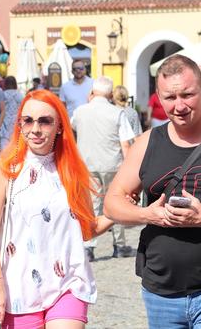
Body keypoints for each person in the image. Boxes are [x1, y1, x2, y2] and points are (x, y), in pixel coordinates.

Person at [0, 89, 114, 328]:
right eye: (28, 120)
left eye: (45, 121)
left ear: (60, 126)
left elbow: (86, 229)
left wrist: (117, 213)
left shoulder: (72, 171)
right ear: (20, 125)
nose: (36, 129)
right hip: (17, 286)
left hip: (68, 283)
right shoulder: (6, 170)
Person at [105, 55, 201, 328]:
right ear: (158, 96)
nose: (179, 105)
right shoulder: (148, 142)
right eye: (170, 97)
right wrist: (149, 214)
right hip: (162, 293)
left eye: (188, 94)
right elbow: (112, 204)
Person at [71, 77, 136, 261]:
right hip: (113, 165)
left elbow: (72, 129)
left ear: (92, 92)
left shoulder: (80, 111)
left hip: (87, 164)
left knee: (90, 204)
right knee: (117, 202)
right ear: (110, 93)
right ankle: (119, 245)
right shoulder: (117, 113)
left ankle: (88, 246)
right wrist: (129, 168)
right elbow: (125, 144)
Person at [0, 76, 24, 149]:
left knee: (4, 145)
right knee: (15, 144)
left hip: (5, 121)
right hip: (16, 121)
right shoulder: (20, 95)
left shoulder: (3, 94)